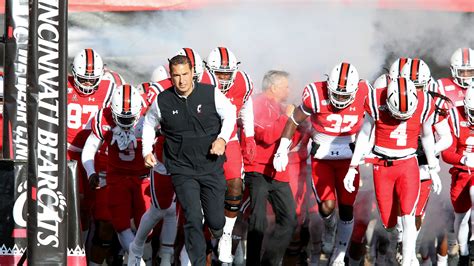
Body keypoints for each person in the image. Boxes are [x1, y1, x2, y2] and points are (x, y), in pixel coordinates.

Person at [141, 55, 236, 265]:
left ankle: (219, 235)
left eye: (185, 74)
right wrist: (146, 151)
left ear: (192, 72)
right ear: (171, 76)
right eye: (176, 75)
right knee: (192, 218)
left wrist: (222, 139)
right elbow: (148, 124)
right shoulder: (162, 101)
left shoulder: (210, 93)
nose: (182, 80)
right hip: (182, 169)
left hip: (210, 166)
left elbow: (230, 113)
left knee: (215, 221)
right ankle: (198, 262)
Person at [274, 62, 369, 265]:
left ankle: (340, 253)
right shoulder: (316, 94)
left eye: (345, 95)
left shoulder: (364, 93)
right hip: (322, 157)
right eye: (337, 94)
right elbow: (294, 120)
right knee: (326, 208)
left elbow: (375, 122)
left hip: (348, 158)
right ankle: (329, 227)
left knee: (347, 209)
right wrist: (282, 149)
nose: (340, 99)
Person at [344, 77, 441, 266]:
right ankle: (398, 242)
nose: (401, 118)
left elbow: (428, 136)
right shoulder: (374, 99)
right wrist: (352, 166)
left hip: (408, 164)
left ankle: (407, 258)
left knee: (408, 215)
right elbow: (364, 134)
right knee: (389, 223)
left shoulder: (424, 103)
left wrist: (432, 168)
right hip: (382, 166)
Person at [82, 84, 153, 265]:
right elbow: (90, 148)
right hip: (116, 177)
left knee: (148, 229)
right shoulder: (104, 118)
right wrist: (91, 172)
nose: (126, 121)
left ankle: (141, 259)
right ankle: (137, 261)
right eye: (121, 117)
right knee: (118, 224)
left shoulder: (149, 117)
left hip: (143, 178)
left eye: (130, 117)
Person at [243, 70, 298, 266]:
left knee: (290, 220)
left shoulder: (280, 107)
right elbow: (265, 136)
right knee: (258, 221)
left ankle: (269, 262)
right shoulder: (257, 103)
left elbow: (291, 140)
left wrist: (295, 122)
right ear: (273, 87)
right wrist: (286, 118)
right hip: (258, 170)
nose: (289, 90)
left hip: (277, 173)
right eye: (286, 86)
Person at [206, 46, 255, 264]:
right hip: (203, 143)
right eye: (219, 73)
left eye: (227, 73)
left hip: (230, 140)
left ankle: (226, 235)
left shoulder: (242, 82)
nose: (224, 78)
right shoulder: (200, 82)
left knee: (236, 183)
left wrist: (250, 135)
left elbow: (246, 108)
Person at [66, 48, 115, 250]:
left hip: (96, 155)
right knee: (71, 207)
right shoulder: (62, 84)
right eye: (83, 79)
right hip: (67, 152)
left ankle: (84, 251)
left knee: (96, 210)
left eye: (91, 79)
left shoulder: (110, 86)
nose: (87, 84)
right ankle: (75, 251)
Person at [441, 88, 474, 265]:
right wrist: (463, 158)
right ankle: (464, 252)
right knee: (461, 218)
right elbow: (447, 153)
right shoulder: (455, 116)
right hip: (461, 173)